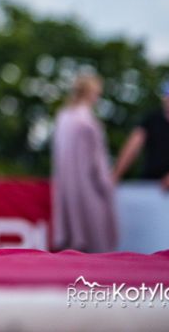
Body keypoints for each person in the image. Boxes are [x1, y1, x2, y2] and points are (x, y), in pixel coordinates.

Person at [51, 73, 117, 252]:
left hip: (67, 191)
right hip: (89, 190)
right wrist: (107, 186)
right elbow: (97, 163)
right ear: (91, 93)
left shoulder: (63, 118)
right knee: (96, 245)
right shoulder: (88, 123)